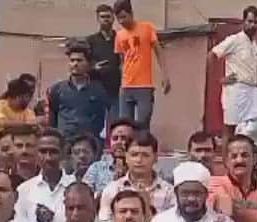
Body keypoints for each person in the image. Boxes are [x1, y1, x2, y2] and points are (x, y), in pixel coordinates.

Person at [210, 6, 257, 143]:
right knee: (230, 129)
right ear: (243, 21)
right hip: (235, 90)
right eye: (250, 21)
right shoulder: (234, 40)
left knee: (247, 131)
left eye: (256, 22)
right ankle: (225, 163)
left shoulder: (254, 44)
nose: (253, 25)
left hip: (251, 91)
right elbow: (212, 55)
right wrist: (219, 79)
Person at [113, 0, 170, 130]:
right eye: (118, 19)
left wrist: (165, 75)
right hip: (126, 86)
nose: (121, 21)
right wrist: (122, 84)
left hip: (144, 85)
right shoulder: (119, 35)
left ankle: (143, 149)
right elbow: (122, 61)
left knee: (143, 125)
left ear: (131, 14)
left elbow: (159, 52)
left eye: (124, 17)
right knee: (125, 126)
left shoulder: (147, 28)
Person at [98, 131, 174, 221]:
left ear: (155, 157)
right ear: (126, 156)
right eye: (134, 155)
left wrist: (147, 207)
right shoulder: (112, 189)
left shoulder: (169, 191)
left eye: (145, 155)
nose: (139, 160)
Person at [15, 128, 74, 222]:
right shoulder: (24, 190)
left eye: (53, 152)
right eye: (43, 151)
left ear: (63, 153)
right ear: (36, 153)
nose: (48, 157)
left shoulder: (76, 186)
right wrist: (35, 215)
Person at [49, 42, 110, 142]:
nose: (75, 64)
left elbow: (103, 118)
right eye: (72, 60)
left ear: (88, 64)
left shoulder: (99, 90)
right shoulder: (57, 89)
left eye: (79, 60)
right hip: (65, 142)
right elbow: (52, 119)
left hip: (89, 143)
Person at [208, 134, 257, 222]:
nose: (239, 160)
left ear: (255, 159)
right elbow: (225, 215)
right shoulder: (215, 183)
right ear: (226, 161)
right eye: (234, 156)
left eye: (245, 155)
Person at [87, 3, 123, 129]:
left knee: (115, 125)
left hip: (116, 89)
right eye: (102, 17)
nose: (106, 19)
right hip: (97, 88)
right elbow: (84, 64)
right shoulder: (90, 40)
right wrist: (94, 68)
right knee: (96, 124)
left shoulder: (120, 37)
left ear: (113, 18)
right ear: (98, 19)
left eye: (108, 16)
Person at [81, 119, 136, 193]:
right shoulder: (97, 168)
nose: (118, 142)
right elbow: (85, 198)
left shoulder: (141, 168)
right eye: (115, 138)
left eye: (124, 138)